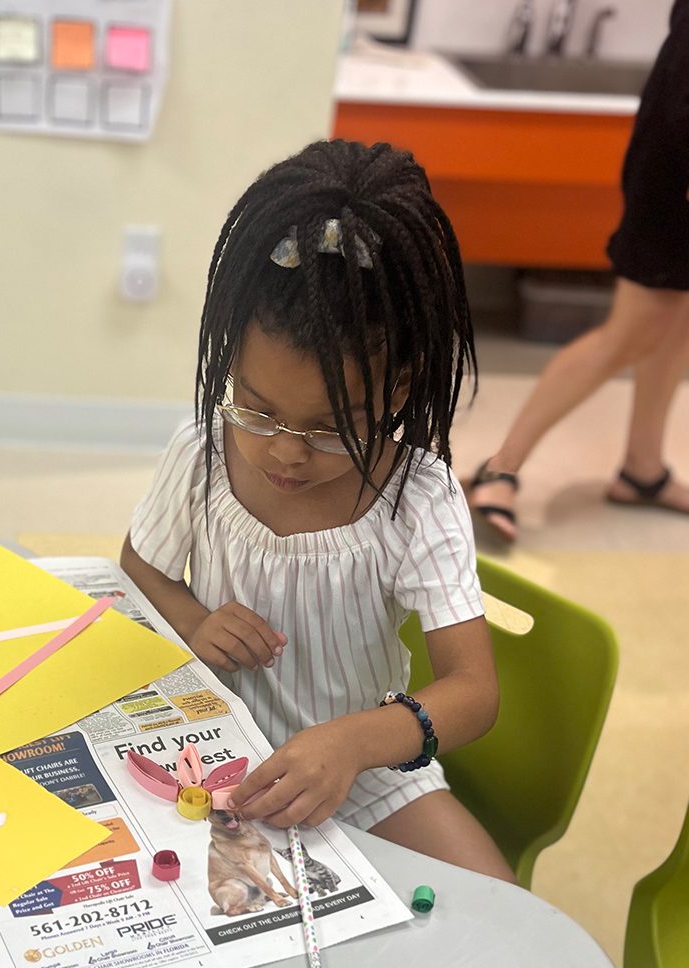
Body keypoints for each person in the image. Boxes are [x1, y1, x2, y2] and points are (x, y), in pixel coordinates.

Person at [120, 139, 514, 882]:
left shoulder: (416, 498)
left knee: (501, 906)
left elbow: (473, 690)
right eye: (259, 411)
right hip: (216, 749)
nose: (287, 455)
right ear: (229, 362)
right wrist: (194, 621)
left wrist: (355, 743)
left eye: (332, 428)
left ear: (397, 394)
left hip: (368, 773)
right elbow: (140, 567)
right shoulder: (203, 453)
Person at [468, 0, 689, 541]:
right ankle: (500, 466)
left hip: (674, 147)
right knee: (634, 329)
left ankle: (643, 469)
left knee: (674, 321)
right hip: (678, 161)